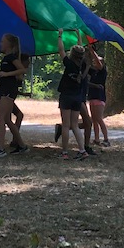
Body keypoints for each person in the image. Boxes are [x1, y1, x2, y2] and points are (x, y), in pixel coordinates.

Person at [0, 33, 29, 157]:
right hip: (4, 88)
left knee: (0, 117)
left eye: (2, 41)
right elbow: (4, 74)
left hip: (8, 90)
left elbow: (22, 70)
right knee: (6, 119)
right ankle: (22, 145)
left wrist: (7, 74)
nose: (0, 43)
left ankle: (0, 149)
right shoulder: (6, 58)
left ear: (9, 45)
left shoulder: (11, 57)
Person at [56, 28, 88, 160]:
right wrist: (78, 34)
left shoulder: (68, 64)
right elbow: (81, 49)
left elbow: (61, 50)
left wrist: (60, 35)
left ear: (72, 54)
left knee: (65, 125)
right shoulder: (82, 64)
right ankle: (82, 150)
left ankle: (64, 152)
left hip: (66, 96)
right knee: (75, 125)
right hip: (77, 97)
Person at [87, 46, 110, 147]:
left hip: (99, 98)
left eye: (96, 61)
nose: (94, 62)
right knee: (94, 119)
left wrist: (92, 50)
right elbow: (85, 65)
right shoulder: (93, 72)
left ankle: (106, 139)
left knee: (99, 118)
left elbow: (97, 60)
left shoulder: (103, 72)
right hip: (92, 97)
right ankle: (96, 139)